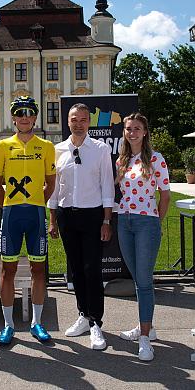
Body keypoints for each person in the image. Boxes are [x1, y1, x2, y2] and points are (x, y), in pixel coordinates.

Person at [48, 103, 114, 350]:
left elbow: (108, 187)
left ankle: (96, 322)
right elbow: (55, 189)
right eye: (74, 119)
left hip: (93, 216)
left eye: (83, 120)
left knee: (92, 270)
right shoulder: (58, 150)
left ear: (89, 122)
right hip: (67, 216)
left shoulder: (100, 149)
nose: (79, 123)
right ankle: (82, 315)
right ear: (68, 121)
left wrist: (106, 220)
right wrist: (53, 219)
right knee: (75, 269)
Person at [0, 96, 56, 345]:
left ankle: (37, 322)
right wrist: (7, 205)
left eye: (29, 113)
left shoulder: (46, 146)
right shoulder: (2, 146)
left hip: (36, 214)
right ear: (14, 118)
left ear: (35, 117)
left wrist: (38, 201)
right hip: (12, 214)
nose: (25, 117)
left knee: (38, 269)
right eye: (20, 113)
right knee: (8, 270)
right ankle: (8, 324)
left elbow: (50, 183)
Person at [116, 113, 170, 361]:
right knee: (138, 279)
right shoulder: (122, 160)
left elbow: (165, 196)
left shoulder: (156, 159)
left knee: (145, 281)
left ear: (145, 132)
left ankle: (145, 339)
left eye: (137, 128)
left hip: (146, 221)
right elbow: (117, 189)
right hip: (124, 222)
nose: (132, 132)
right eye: (128, 129)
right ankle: (146, 325)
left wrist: (156, 222)